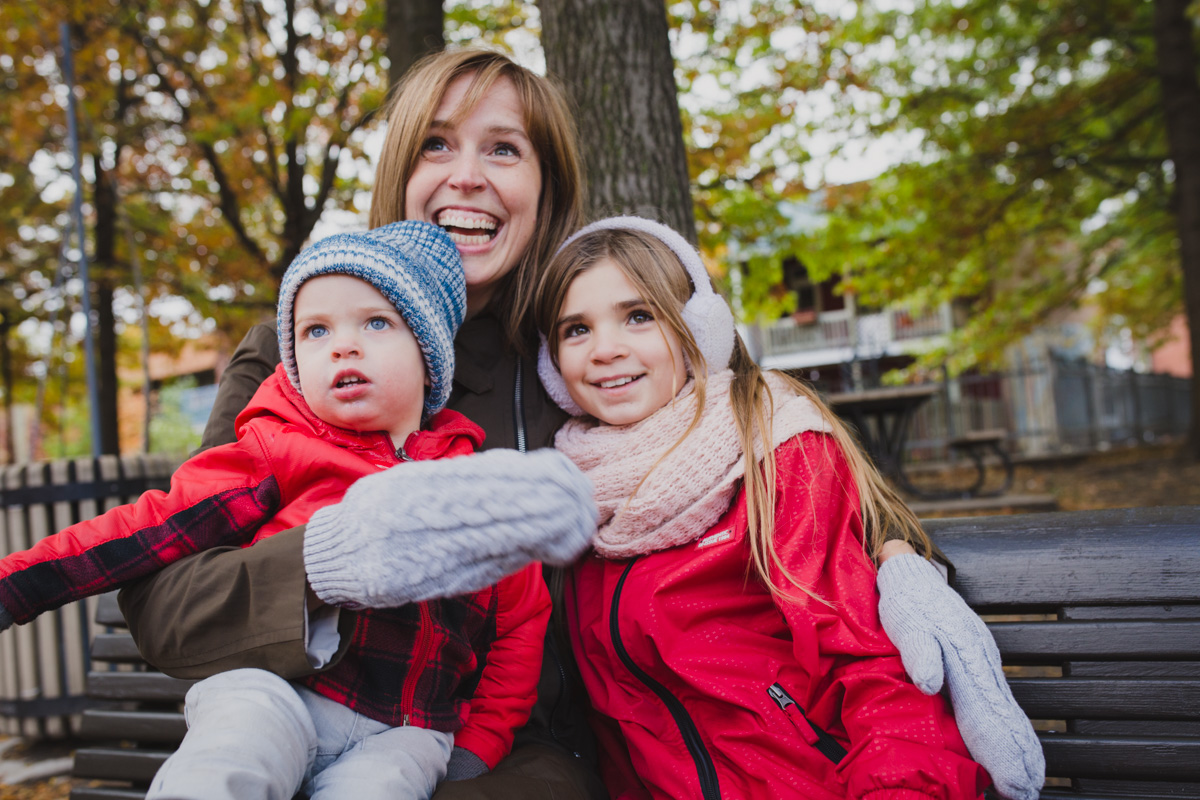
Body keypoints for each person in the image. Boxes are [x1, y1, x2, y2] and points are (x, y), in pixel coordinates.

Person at [115, 48, 1043, 800]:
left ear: (546, 187)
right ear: (400, 174)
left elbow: (748, 437)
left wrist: (895, 555)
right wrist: (323, 564)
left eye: (504, 149)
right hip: (306, 719)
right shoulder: (302, 356)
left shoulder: (571, 360)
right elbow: (167, 606)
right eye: (436, 146)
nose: (466, 178)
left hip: (520, 753)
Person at [0, 221, 596, 800]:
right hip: (280, 688)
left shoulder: (468, 488)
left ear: (428, 355)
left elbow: (519, 628)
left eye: (377, 322)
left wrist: (474, 749)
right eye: (315, 331)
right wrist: (18, 585)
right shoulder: (274, 450)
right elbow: (149, 527)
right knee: (236, 752)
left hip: (404, 730)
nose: (342, 344)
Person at [533, 216, 1026, 799]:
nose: (606, 350)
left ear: (701, 330)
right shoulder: (573, 500)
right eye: (576, 330)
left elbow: (872, 664)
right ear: (552, 365)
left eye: (639, 316)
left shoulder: (772, 451)